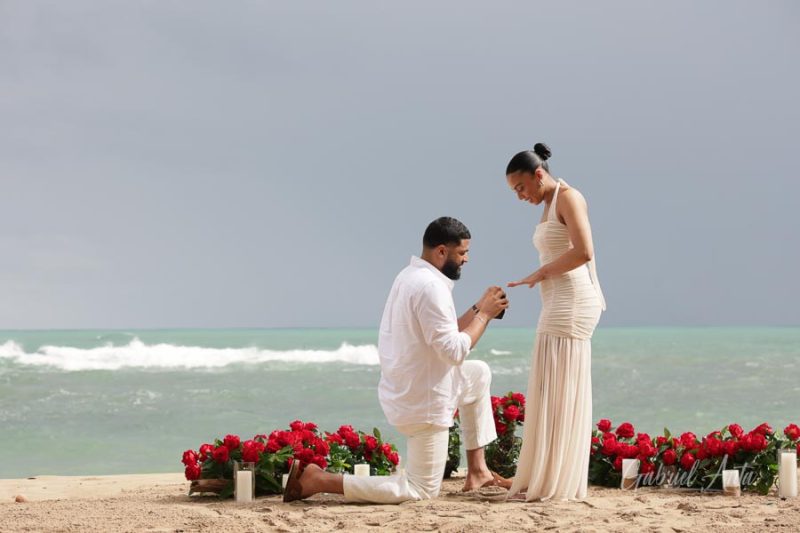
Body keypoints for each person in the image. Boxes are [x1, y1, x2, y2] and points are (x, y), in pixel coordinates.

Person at [284, 216, 509, 503]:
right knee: (420, 490)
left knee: (478, 375)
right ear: (441, 252)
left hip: (411, 388)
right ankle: (320, 479)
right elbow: (453, 351)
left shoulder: (411, 276)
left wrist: (479, 307)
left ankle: (478, 471)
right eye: (462, 253)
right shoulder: (431, 288)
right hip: (423, 401)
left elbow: (443, 331)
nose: (466, 260)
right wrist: (485, 315)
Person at [502, 142, 606, 501]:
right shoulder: (548, 203)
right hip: (556, 301)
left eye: (520, 187)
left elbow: (584, 251)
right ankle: (543, 475)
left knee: (561, 390)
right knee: (549, 388)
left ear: (538, 174)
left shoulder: (569, 197)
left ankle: (556, 480)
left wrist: (540, 273)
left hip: (573, 302)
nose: (519, 196)